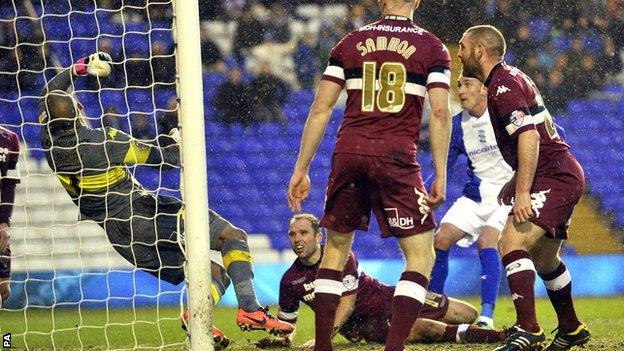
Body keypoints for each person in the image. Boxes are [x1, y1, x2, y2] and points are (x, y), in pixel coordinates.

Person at [37, 52, 294, 348]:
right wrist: (178, 136)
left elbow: (48, 94)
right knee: (232, 236)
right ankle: (249, 309)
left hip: (122, 239)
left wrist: (78, 68)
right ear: (80, 108)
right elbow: (165, 160)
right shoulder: (106, 142)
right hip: (144, 214)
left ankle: (195, 319)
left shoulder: (49, 143)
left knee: (213, 273)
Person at [288, 1, 452, 350]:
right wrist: (440, 172)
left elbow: (321, 107)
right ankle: (394, 346)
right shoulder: (432, 47)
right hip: (395, 155)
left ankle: (321, 346)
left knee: (334, 250)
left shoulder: (350, 42)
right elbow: (439, 112)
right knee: (421, 256)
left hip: (349, 151)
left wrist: (301, 168)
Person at [458, 25, 590, 351]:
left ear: (479, 51)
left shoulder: (502, 86)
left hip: (555, 176)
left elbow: (529, 136)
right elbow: (537, 133)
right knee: (545, 260)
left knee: (510, 241)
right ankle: (572, 328)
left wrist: (522, 192)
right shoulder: (508, 78)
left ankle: (528, 329)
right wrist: (516, 180)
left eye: (462, 47)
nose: (458, 53)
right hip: (557, 172)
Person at [256, 214, 509, 349]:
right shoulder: (290, 281)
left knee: (468, 313)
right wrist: (280, 338)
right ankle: (500, 337)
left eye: (303, 233)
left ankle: (474, 330)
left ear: (318, 236)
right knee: (424, 328)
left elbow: (348, 302)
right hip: (368, 326)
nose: (297, 239)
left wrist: (325, 336)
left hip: (390, 297)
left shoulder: (339, 255)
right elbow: (286, 325)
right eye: (292, 234)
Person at [428, 75, 513, 330]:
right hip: (474, 197)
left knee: (488, 241)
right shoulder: (457, 126)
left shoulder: (505, 116)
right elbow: (444, 165)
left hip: (505, 196)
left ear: (484, 89)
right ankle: (431, 307)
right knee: (441, 238)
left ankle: (487, 315)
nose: (462, 91)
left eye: (468, 85)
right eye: (459, 86)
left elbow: (543, 136)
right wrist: (425, 188)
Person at [0, 126, 20, 309]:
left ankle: (6, 338)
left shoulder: (10, 139)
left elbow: (9, 184)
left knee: (3, 290)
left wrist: (4, 223)